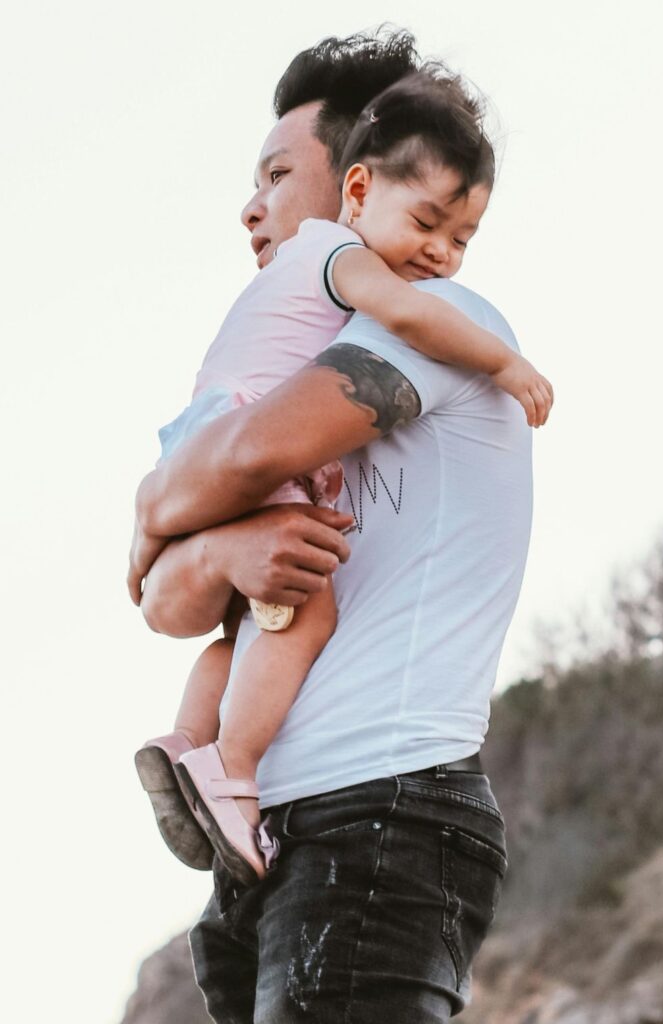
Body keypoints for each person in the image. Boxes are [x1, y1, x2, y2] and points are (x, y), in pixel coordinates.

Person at [128, 28, 538, 1021]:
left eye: (279, 171)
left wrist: (158, 508)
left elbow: (239, 460)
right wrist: (220, 546)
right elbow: (163, 602)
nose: (253, 205)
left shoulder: (442, 320)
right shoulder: (290, 360)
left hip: (385, 810)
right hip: (274, 833)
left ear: (362, 180)